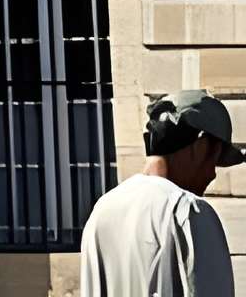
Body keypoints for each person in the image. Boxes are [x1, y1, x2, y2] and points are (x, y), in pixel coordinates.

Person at [81, 89, 240, 295]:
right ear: (200, 146)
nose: (212, 175)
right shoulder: (188, 210)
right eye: (214, 160)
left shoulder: (102, 210)